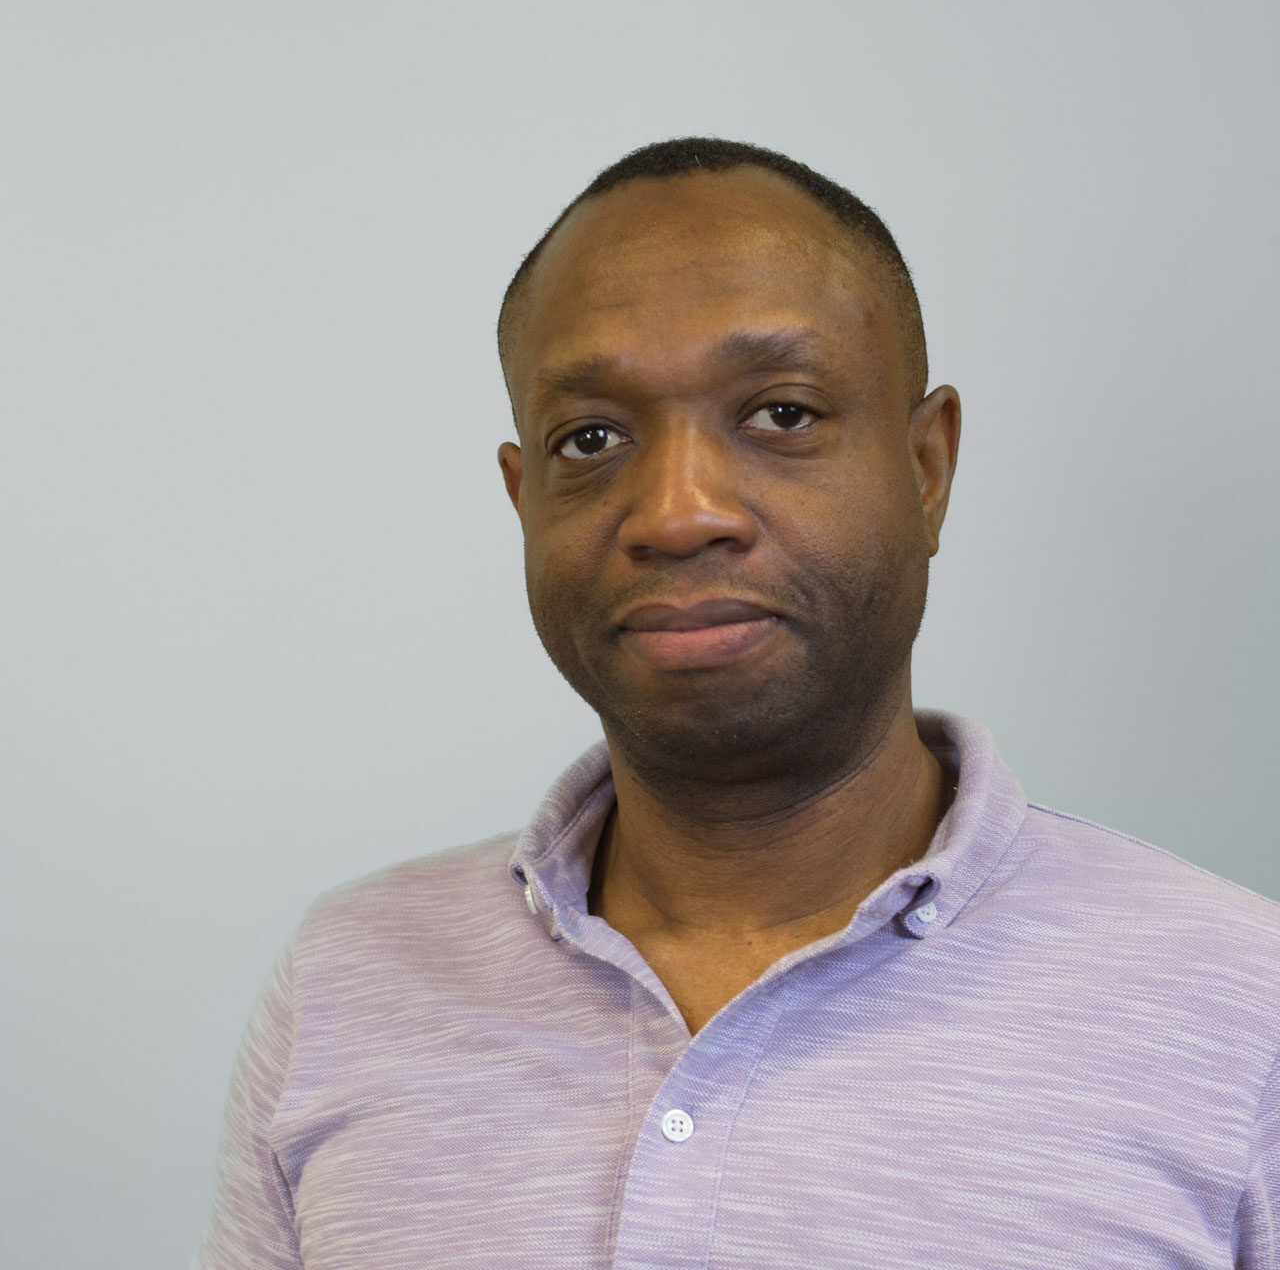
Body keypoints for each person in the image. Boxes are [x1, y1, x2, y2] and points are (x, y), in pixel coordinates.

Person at [194, 137, 1279, 1269]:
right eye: (592, 438)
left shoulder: (1242, 1008)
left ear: (925, 469)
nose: (675, 512)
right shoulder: (347, 979)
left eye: (780, 414)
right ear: (524, 501)